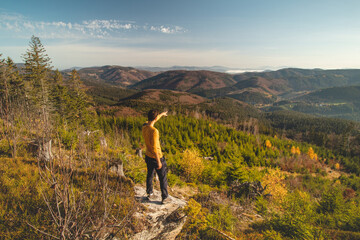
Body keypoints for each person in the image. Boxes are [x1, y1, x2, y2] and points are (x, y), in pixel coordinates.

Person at [142, 109, 170, 204]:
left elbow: (154, 119)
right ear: (154, 118)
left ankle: (149, 193)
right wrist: (158, 161)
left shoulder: (144, 126)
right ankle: (165, 197)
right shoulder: (154, 131)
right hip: (156, 157)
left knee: (150, 175)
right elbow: (154, 148)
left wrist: (162, 114)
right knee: (162, 177)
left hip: (148, 156)